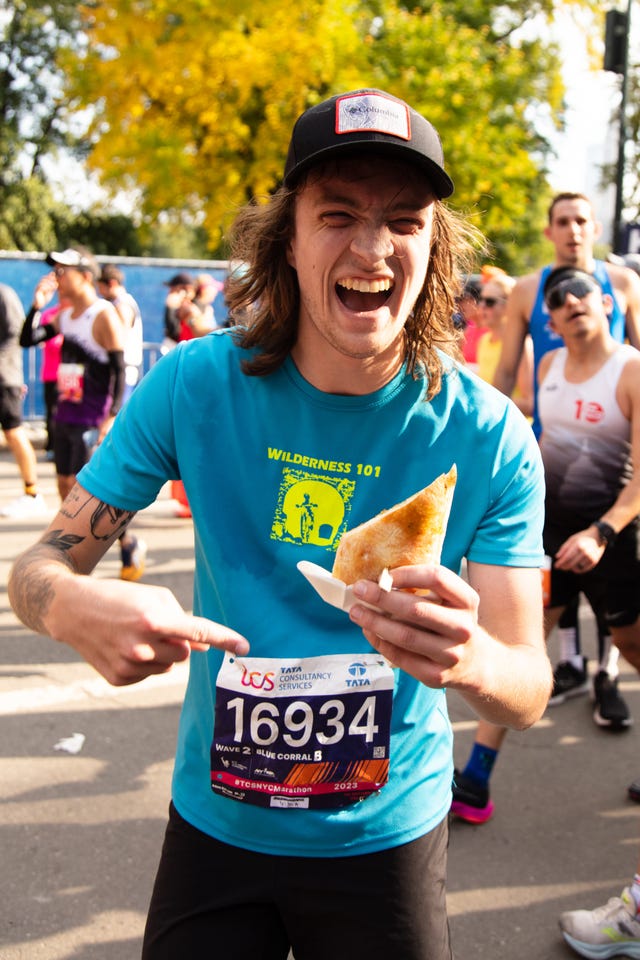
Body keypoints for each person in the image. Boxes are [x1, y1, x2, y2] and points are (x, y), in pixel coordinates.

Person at [8, 89, 552, 960]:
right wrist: (69, 608)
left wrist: (472, 657)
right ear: (287, 241)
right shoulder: (193, 385)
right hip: (216, 832)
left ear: (433, 246)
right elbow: (37, 564)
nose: (371, 248)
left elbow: (526, 689)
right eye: (337, 214)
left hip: (386, 843)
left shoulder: (488, 436)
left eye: (404, 221)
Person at [509, 266, 640, 959]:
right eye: (556, 298)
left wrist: (605, 532)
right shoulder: (551, 364)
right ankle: (473, 779)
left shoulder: (632, 369)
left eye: (581, 291)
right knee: (524, 640)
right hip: (554, 538)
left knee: (632, 645)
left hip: (613, 542)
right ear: (549, 320)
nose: (568, 301)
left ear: (609, 303)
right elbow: (538, 445)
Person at [497, 195, 640, 713]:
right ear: (549, 230)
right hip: (556, 439)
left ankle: (605, 676)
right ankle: (574, 666)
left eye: (582, 220)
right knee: (550, 595)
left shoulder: (624, 284)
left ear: (595, 227)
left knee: (618, 607)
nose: (574, 230)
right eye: (563, 221)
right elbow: (505, 374)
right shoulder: (528, 292)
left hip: (617, 450)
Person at [19, 247, 147, 582]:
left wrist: (112, 416)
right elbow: (27, 339)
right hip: (66, 409)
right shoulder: (64, 315)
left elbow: (120, 369)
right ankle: (105, 547)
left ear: (86, 276)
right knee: (64, 485)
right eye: (56, 271)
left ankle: (87, 557)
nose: (57, 277)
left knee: (90, 489)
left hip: (92, 414)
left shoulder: (103, 314)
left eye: (64, 271)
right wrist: (37, 304)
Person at [0, 282, 47, 519]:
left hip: (4, 378)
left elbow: (16, 335)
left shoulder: (4, 295)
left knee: (13, 432)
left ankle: (32, 493)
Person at [476, 272, 533, 417]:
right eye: (480, 299)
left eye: (490, 302)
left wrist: (485, 400)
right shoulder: (484, 341)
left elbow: (530, 404)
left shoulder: (522, 345)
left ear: (509, 306)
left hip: (513, 430)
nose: (482, 306)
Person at [97, 264, 144, 404]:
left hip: (124, 373)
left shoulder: (123, 305)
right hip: (122, 371)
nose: (99, 292)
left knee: (117, 420)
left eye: (100, 287)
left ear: (111, 283)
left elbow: (119, 337)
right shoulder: (121, 303)